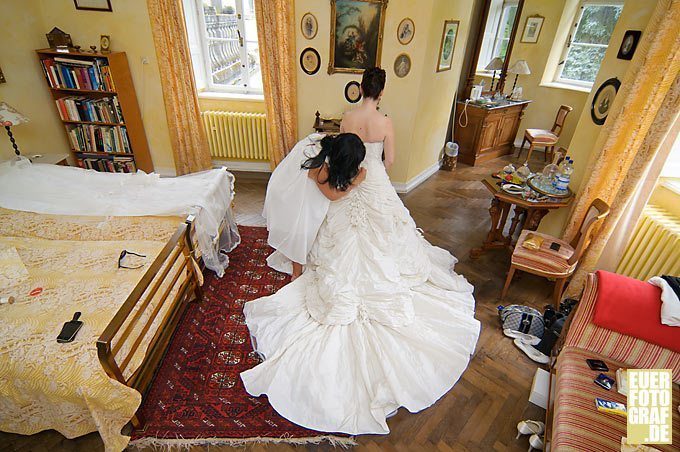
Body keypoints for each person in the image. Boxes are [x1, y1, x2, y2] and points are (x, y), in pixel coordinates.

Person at [240, 67, 480, 435]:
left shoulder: (349, 118)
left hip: (345, 181)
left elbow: (340, 157)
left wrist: (349, 174)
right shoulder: (385, 121)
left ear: (360, 90)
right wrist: (369, 168)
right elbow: (389, 162)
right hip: (372, 184)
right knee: (387, 237)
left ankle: (315, 272)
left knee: (338, 234)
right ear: (380, 92)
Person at [262, 133, 366, 280]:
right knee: (301, 226)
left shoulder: (321, 138)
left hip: (287, 180)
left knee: (303, 222)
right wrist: (356, 182)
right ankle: (296, 272)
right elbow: (332, 195)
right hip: (287, 192)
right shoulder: (319, 166)